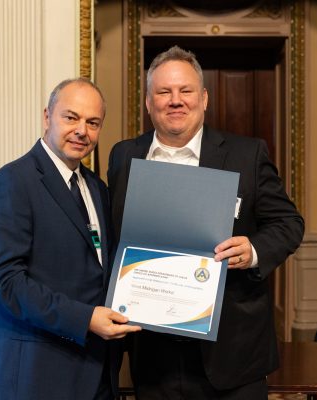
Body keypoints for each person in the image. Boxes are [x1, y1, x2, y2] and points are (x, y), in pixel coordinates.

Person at [107, 46, 304, 399]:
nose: (175, 100)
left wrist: (254, 249)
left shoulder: (247, 154)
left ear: (204, 98)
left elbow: (288, 223)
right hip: (153, 352)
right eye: (164, 92)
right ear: (149, 102)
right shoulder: (124, 155)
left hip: (232, 353)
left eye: (185, 91)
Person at [0, 77, 141, 400]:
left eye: (93, 122)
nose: (82, 130)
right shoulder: (12, 182)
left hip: (97, 374)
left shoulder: (97, 189)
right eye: (71, 117)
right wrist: (84, 319)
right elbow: (4, 282)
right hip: (36, 377)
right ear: (47, 117)